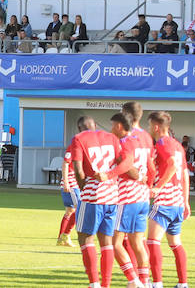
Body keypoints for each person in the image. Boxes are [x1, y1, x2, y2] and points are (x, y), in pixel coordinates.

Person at [68, 115, 132, 288]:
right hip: (112, 194)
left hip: (93, 195)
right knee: (106, 242)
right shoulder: (111, 137)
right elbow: (123, 161)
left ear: (79, 128)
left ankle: (94, 283)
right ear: (95, 125)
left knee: (85, 238)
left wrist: (84, 189)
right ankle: (106, 284)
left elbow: (79, 171)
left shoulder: (79, 139)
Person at [146, 111, 190, 288]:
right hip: (177, 201)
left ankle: (157, 283)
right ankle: (182, 284)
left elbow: (172, 165)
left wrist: (158, 187)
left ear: (156, 127)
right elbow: (185, 173)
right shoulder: (178, 145)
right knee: (175, 244)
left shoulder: (163, 143)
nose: (148, 129)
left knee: (152, 241)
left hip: (164, 201)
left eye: (149, 125)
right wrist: (185, 201)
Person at [110, 111, 151, 287]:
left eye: (112, 125)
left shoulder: (124, 142)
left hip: (127, 197)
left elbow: (129, 168)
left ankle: (134, 281)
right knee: (137, 243)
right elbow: (149, 167)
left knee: (115, 242)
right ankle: (145, 281)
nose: (111, 129)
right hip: (142, 197)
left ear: (119, 126)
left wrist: (109, 174)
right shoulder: (139, 141)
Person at [57, 139, 81, 248]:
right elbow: (65, 164)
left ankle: (62, 238)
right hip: (72, 184)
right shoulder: (73, 148)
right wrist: (66, 182)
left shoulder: (81, 148)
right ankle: (64, 236)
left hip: (75, 184)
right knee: (77, 210)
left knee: (70, 211)